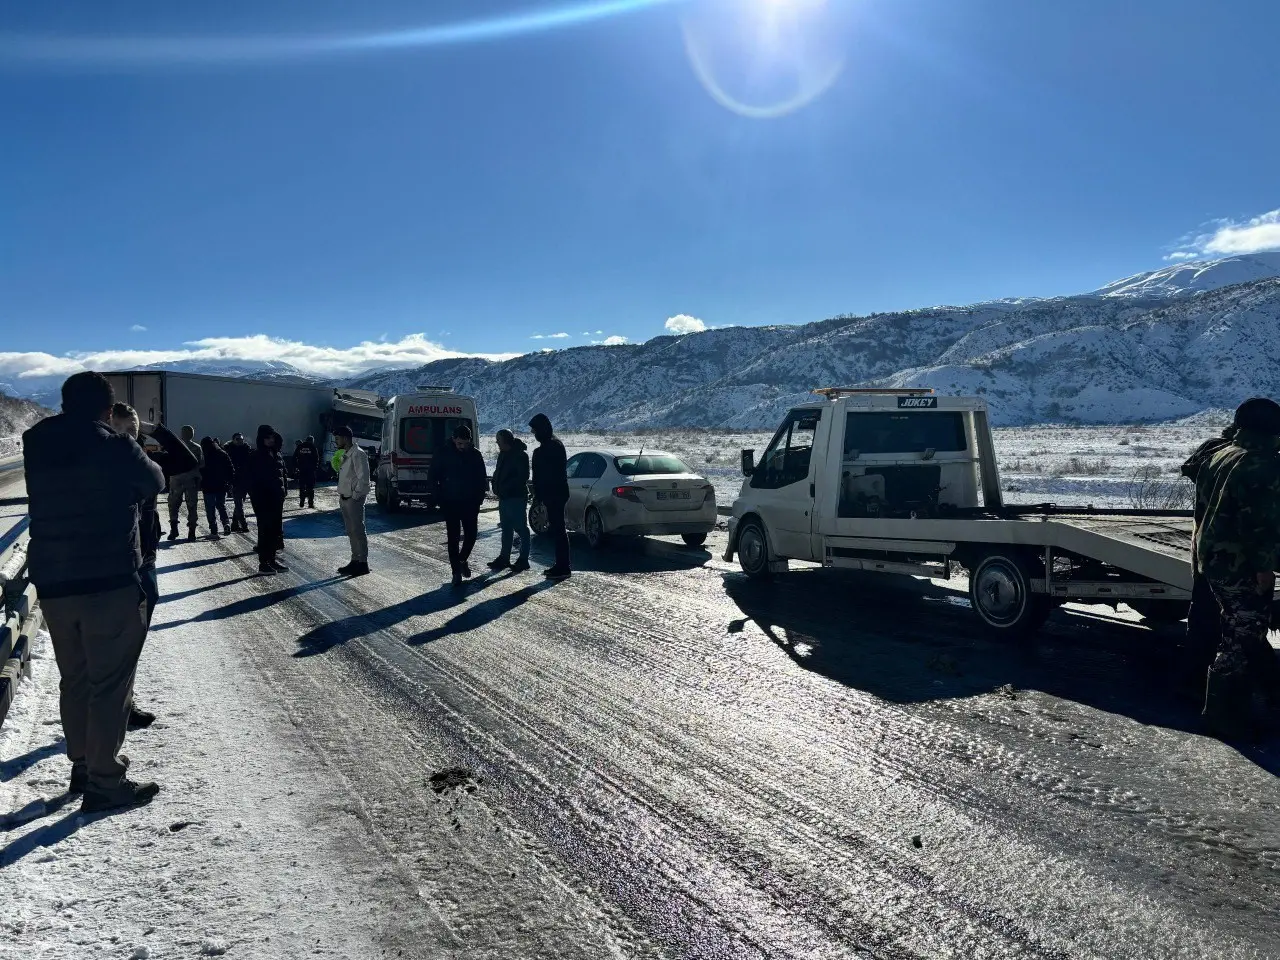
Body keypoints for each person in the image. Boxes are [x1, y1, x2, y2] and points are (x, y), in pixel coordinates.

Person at [23, 372, 164, 812]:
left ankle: (83, 763)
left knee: (76, 677)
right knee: (109, 683)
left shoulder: (34, 441)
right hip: (108, 580)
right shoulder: (115, 446)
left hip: (55, 582)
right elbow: (155, 481)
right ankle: (105, 781)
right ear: (107, 408)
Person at [1195, 398, 1280, 739]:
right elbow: (1258, 524)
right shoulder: (1261, 463)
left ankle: (1259, 701)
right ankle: (1220, 716)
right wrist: (1265, 570)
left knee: (1242, 632)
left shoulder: (1221, 454)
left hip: (1214, 560)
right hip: (1240, 564)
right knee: (1240, 638)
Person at [110, 402, 197, 731]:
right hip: (119, 564)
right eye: (123, 431)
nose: (129, 438)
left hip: (146, 559)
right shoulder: (101, 463)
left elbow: (186, 460)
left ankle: (123, 703)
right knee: (119, 640)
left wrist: (154, 430)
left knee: (133, 640)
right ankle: (113, 707)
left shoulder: (145, 461)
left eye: (133, 432)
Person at [1177, 424, 1239, 697]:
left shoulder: (1212, 451)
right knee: (1223, 622)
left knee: (1202, 615)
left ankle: (1193, 679)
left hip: (1204, 546)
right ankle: (1208, 687)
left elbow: (1190, 470)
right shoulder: (1235, 457)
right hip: (1227, 553)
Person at [432, 424, 488, 586]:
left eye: (465, 443)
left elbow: (481, 478)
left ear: (469, 441)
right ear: (454, 439)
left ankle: (462, 559)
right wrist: (438, 497)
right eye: (459, 443)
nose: (462, 447)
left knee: (471, 535)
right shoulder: (443, 453)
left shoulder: (475, 455)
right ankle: (455, 571)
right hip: (450, 502)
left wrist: (479, 498)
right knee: (453, 537)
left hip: (470, 502)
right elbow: (432, 476)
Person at [529, 413, 571, 580]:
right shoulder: (555, 445)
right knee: (557, 529)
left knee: (558, 529)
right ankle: (561, 564)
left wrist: (539, 494)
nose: (533, 433)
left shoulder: (547, 448)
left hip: (554, 493)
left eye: (534, 430)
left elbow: (544, 475)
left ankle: (563, 566)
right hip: (557, 493)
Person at [488, 429, 531, 573]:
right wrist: (496, 485)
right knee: (506, 528)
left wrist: (505, 487)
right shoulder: (502, 455)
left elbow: (522, 477)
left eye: (498, 440)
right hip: (504, 498)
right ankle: (504, 558)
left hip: (516, 497)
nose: (497, 443)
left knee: (521, 528)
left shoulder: (520, 455)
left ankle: (523, 559)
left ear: (506, 440)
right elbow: (498, 473)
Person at [249, 424, 289, 575]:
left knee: (275, 531)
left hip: (277, 499)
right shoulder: (256, 455)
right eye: (267, 437)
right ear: (261, 439)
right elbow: (252, 480)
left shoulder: (276, 454)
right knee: (265, 531)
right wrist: (257, 498)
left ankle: (272, 560)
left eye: (272, 436)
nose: (270, 440)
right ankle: (263, 563)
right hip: (263, 500)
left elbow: (283, 474)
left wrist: (283, 491)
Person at [334, 427, 372, 576]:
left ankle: (362, 562)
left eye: (338, 438)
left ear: (345, 438)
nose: (336, 441)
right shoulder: (347, 454)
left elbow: (364, 479)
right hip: (344, 497)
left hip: (353, 499)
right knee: (351, 531)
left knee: (358, 530)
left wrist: (355, 496)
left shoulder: (358, 454)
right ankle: (355, 560)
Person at [167, 424, 204, 541]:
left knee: (173, 505)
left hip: (176, 480)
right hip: (190, 480)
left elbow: (168, 461)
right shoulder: (197, 447)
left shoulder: (175, 446)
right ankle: (191, 532)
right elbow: (202, 464)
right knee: (192, 506)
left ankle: (174, 530)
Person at [200, 436, 235, 539]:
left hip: (208, 487)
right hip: (221, 486)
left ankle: (214, 531)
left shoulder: (204, 456)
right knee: (221, 506)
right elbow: (230, 468)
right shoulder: (223, 454)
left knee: (210, 509)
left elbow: (200, 470)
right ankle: (226, 524)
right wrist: (229, 482)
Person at [226, 432, 252, 532]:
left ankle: (234, 524)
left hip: (245, 480)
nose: (240, 441)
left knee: (240, 502)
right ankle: (243, 524)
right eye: (237, 439)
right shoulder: (229, 451)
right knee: (238, 503)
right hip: (234, 480)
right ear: (233, 440)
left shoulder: (247, 450)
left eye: (241, 439)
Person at [296, 435, 319, 509]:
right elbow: (316, 458)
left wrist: (296, 467)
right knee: (310, 488)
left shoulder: (300, 447)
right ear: (312, 441)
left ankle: (302, 501)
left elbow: (294, 457)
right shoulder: (313, 447)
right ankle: (310, 503)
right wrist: (315, 467)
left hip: (302, 471)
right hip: (310, 471)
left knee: (302, 487)